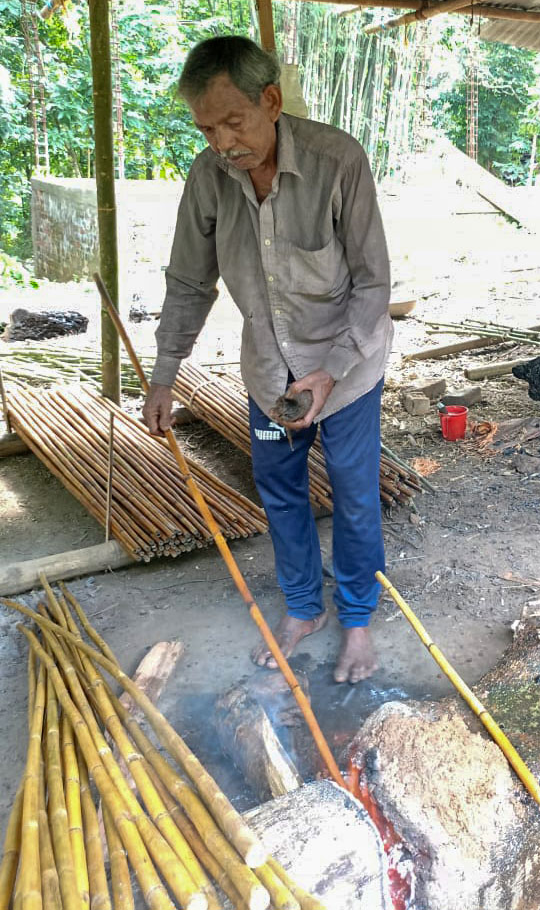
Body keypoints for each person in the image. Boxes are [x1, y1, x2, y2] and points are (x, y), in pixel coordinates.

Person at [143, 36, 393, 683]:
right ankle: (305, 608)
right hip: (268, 371)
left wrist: (330, 369)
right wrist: (165, 374)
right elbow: (190, 282)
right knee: (280, 492)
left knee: (354, 494)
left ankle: (358, 617)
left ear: (271, 101)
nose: (222, 142)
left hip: (347, 370)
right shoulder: (208, 178)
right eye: (206, 127)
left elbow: (372, 285)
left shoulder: (338, 161)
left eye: (233, 121)